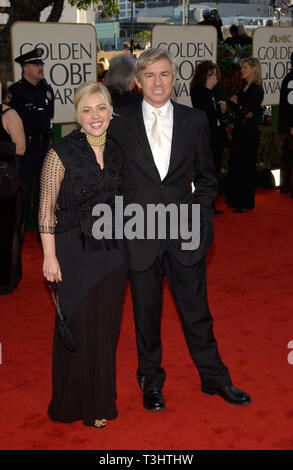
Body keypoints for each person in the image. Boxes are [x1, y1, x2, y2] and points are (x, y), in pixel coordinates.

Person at [109, 48, 251, 411]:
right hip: (140, 234)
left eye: (165, 74)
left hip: (184, 232)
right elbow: (111, 180)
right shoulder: (119, 121)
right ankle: (151, 382)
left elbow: (207, 178)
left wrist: (199, 215)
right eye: (150, 76)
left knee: (197, 311)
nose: (158, 82)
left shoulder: (194, 120)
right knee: (146, 314)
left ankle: (214, 378)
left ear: (174, 78)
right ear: (138, 82)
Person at [38, 82, 128, 428]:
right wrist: (49, 257)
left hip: (112, 252)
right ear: (77, 114)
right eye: (87, 110)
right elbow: (45, 209)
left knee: (105, 329)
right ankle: (75, 402)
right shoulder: (60, 152)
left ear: (110, 112)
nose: (95, 116)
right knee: (78, 326)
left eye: (101, 108)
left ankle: (100, 400)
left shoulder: (118, 151)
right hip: (73, 251)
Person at [9, 47, 54, 237]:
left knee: (45, 194)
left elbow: (49, 116)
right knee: (25, 194)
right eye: (36, 64)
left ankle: (42, 234)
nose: (40, 67)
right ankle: (19, 235)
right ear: (25, 68)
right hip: (25, 150)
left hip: (44, 148)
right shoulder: (16, 92)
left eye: (41, 64)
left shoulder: (46, 88)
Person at [226, 57, 264, 212]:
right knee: (235, 165)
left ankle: (246, 203)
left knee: (246, 167)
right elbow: (236, 106)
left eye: (245, 67)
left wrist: (241, 108)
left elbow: (243, 109)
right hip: (240, 131)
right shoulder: (244, 86)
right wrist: (241, 108)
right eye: (242, 67)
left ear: (254, 69)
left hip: (249, 134)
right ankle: (236, 199)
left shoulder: (257, 89)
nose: (242, 70)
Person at [190, 61, 228, 214]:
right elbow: (201, 111)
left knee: (215, 169)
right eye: (210, 75)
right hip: (204, 136)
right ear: (203, 75)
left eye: (215, 75)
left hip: (217, 135)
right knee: (203, 171)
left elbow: (218, 113)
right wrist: (208, 90)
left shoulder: (217, 90)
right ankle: (202, 204)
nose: (214, 78)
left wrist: (223, 108)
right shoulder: (197, 90)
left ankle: (211, 204)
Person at [0, 73, 26, 294]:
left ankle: (7, 279)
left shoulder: (9, 115)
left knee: (7, 231)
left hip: (4, 183)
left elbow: (20, 148)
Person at [278, 52, 293, 197]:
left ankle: (285, 186)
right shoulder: (291, 80)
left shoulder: (288, 78)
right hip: (291, 125)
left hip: (288, 124)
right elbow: (290, 104)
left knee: (287, 156)